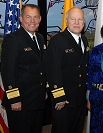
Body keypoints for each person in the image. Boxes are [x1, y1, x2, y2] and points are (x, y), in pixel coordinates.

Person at [1, 4, 47, 133]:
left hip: (37, 99)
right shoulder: (13, 39)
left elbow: (41, 66)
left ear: (40, 19)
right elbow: (7, 71)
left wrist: (44, 90)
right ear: (21, 19)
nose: (32, 21)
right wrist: (14, 99)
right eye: (28, 17)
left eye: (35, 17)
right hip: (21, 102)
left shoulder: (40, 38)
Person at [46, 7, 89, 133]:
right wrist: (59, 97)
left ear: (84, 22)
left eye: (80, 19)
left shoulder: (84, 40)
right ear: (66, 21)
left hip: (79, 98)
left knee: (77, 128)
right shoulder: (57, 41)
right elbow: (53, 70)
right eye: (73, 19)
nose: (76, 22)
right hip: (64, 99)